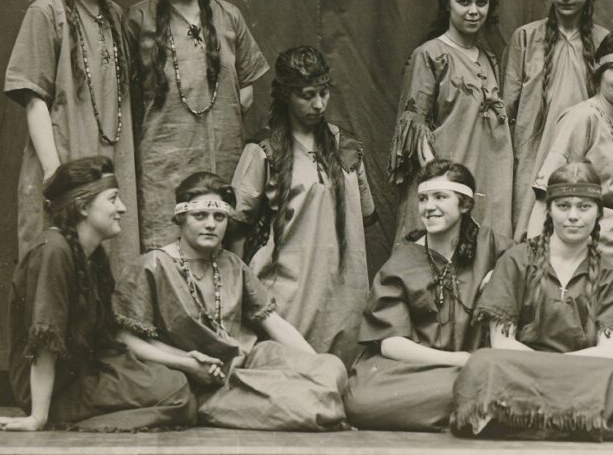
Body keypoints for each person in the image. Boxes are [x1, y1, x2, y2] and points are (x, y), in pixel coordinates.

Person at [114, 172, 348, 431]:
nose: (211, 224)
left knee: (332, 368)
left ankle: (315, 392)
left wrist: (316, 364)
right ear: (180, 218)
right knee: (308, 406)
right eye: (200, 216)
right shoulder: (153, 265)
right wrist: (186, 363)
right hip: (206, 381)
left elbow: (273, 322)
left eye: (219, 217)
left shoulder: (232, 264)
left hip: (250, 360)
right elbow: (126, 339)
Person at [451, 163, 613, 442]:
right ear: (549, 210)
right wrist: (549, 367)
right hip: (521, 366)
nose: (573, 216)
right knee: (485, 362)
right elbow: (501, 342)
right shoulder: (517, 260)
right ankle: (579, 423)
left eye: (584, 207)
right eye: (563, 206)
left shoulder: (609, 277)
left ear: (598, 213)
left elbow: (607, 353)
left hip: (577, 372)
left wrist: (556, 368)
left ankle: (520, 422)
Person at [0, 156, 196, 432]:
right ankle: (65, 422)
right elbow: (45, 341)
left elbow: (114, 333)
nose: (123, 208)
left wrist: (187, 359)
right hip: (55, 387)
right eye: (113, 199)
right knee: (177, 394)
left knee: (180, 382)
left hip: (86, 368)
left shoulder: (91, 254)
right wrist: (38, 417)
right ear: (82, 206)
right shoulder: (53, 252)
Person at [4, 0, 139, 276]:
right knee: (59, 268)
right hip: (65, 162)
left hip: (109, 165)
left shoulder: (114, 15)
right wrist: (54, 178)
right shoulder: (46, 13)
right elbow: (35, 100)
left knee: (111, 272)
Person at [126, 0, 268, 250]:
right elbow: (127, 98)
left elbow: (246, 83)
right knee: (166, 259)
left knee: (220, 254)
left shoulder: (228, 16)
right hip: (163, 163)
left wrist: (221, 120)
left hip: (222, 158)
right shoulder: (139, 19)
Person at [230, 46, 375, 366]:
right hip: (287, 292)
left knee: (342, 379)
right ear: (285, 96)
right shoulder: (264, 149)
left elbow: (364, 214)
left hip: (342, 292)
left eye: (324, 93)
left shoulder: (347, 148)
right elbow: (236, 225)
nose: (319, 104)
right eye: (307, 95)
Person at [344, 160, 512, 431]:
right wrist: (460, 361)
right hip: (418, 368)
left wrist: (501, 274)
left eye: (439, 197)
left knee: (498, 375)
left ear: (465, 204)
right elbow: (390, 344)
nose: (428, 207)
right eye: (423, 198)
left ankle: (471, 403)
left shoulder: (491, 246)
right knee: (360, 400)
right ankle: (477, 406)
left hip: (472, 368)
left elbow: (533, 262)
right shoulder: (402, 261)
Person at [388, 0, 513, 240]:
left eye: (481, 2)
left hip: (490, 185)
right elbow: (413, 130)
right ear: (447, 4)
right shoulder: (430, 55)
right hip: (447, 187)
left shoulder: (489, 59)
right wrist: (442, 186)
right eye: (464, 1)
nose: (473, 11)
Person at [525, 29, 613, 281]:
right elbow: (546, 191)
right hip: (594, 231)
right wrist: (532, 258)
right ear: (599, 73)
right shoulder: (582, 117)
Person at [503, 0, 609, 240]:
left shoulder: (604, 41)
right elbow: (506, 113)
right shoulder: (525, 38)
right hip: (531, 158)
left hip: (584, 158)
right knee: (528, 236)